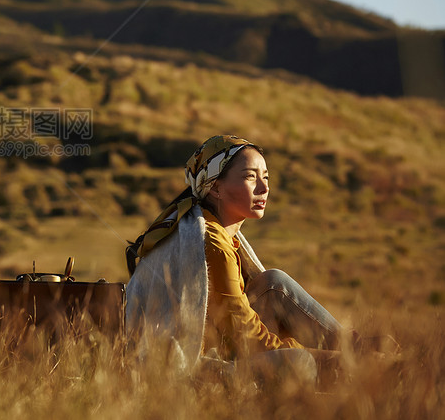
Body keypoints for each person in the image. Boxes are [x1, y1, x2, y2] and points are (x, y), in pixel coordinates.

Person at [125, 134, 349, 385]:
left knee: (274, 283)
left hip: (217, 345)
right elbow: (246, 339)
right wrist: (322, 356)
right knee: (300, 363)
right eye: (250, 177)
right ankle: (361, 362)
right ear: (216, 187)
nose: (263, 188)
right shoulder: (210, 243)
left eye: (266, 177)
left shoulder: (212, 231)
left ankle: (359, 351)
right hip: (191, 370)